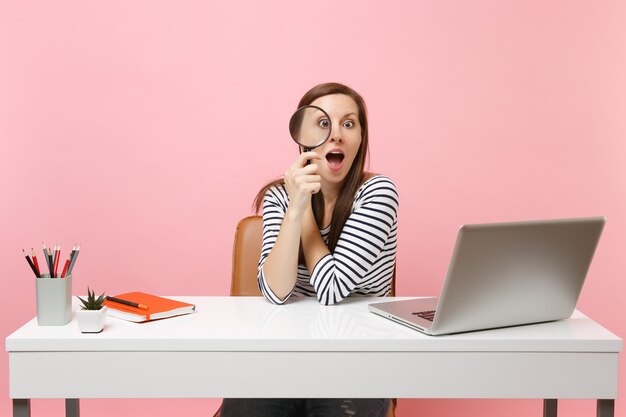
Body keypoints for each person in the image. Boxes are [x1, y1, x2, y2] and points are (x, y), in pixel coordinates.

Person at [220, 82, 398, 417]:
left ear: (361, 137)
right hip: (283, 355)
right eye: (322, 123)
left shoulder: (377, 192)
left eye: (348, 123)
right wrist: (296, 205)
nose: (336, 135)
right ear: (301, 136)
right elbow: (276, 292)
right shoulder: (279, 197)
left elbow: (332, 289)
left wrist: (302, 214)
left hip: (358, 357)